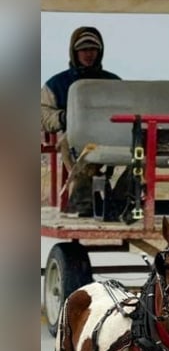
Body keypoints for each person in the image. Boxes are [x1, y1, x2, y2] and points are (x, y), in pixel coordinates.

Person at [41, 27, 121, 215]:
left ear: (99, 52)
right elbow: (41, 112)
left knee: (140, 153)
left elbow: (130, 108)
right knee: (69, 142)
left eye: (93, 49)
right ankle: (86, 199)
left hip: (110, 137)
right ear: (75, 52)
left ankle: (119, 199)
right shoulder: (57, 83)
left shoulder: (114, 82)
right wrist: (62, 118)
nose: (88, 54)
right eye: (83, 49)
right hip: (76, 141)